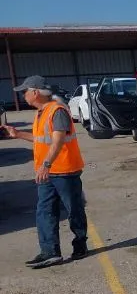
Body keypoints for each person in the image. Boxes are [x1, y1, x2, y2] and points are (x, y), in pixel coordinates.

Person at [1, 75, 88, 268]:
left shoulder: (57, 111)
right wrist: (18, 134)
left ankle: (80, 243)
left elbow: (57, 140)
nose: (23, 95)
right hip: (47, 174)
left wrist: (46, 164)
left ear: (35, 92)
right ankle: (50, 252)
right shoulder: (41, 112)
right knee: (44, 211)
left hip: (64, 170)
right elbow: (41, 139)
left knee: (74, 209)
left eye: (25, 92)